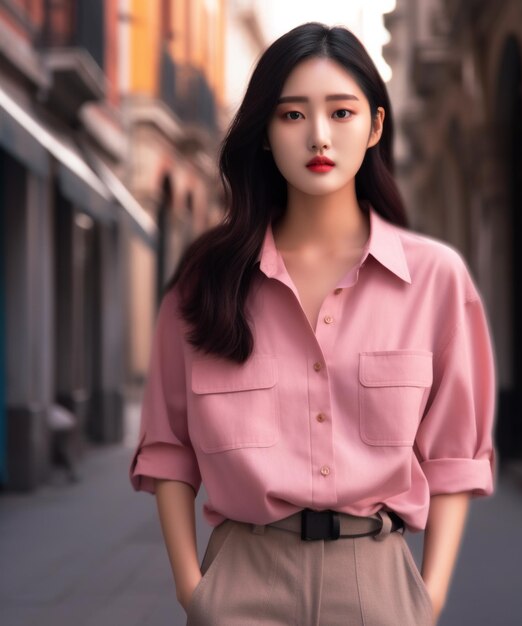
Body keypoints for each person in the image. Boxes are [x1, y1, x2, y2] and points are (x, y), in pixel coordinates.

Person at [129, 21, 498, 626]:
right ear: (266, 134)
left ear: (376, 125)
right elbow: (168, 448)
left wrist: (426, 601)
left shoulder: (436, 280)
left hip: (377, 583)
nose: (319, 136)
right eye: (293, 115)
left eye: (342, 113)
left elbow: (456, 455)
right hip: (243, 582)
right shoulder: (206, 281)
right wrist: (193, 591)